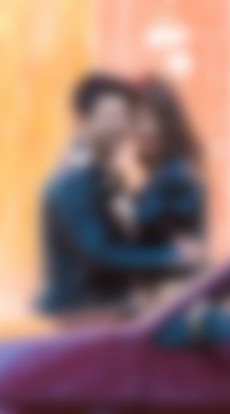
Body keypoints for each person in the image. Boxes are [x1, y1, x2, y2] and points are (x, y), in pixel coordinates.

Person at [37, 74, 193, 323]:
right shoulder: (75, 178)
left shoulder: (104, 173)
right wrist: (170, 255)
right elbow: (98, 254)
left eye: (124, 118)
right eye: (111, 117)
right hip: (79, 320)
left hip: (103, 315)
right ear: (84, 120)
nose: (120, 127)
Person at [109, 77, 206, 307]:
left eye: (153, 120)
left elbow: (139, 221)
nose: (145, 129)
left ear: (168, 125)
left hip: (170, 301)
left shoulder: (176, 175)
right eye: (137, 120)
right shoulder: (163, 173)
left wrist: (122, 177)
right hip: (161, 298)